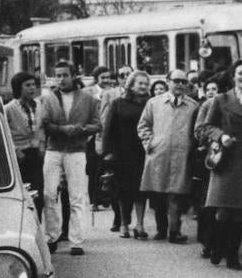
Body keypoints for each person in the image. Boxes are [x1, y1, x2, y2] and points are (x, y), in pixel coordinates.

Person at [199, 59, 242, 270]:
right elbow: (206, 127)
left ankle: (232, 256)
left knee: (240, 210)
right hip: (227, 159)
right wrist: (221, 137)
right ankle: (217, 247)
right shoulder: (221, 99)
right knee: (223, 209)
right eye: (241, 73)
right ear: (233, 77)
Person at [38, 59, 102, 255]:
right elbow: (45, 124)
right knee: (49, 194)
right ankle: (52, 236)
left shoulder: (88, 99)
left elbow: (97, 124)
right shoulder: (48, 98)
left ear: (74, 76)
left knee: (77, 195)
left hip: (76, 150)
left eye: (65, 75)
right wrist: (62, 129)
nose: (61, 79)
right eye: (58, 75)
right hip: (54, 148)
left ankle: (76, 240)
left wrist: (81, 129)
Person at [138, 69, 199, 244]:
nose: (180, 84)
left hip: (182, 155)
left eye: (183, 81)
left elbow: (197, 130)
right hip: (159, 154)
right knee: (158, 193)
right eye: (176, 80)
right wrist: (149, 143)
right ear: (168, 81)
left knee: (176, 194)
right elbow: (143, 125)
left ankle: (174, 231)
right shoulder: (154, 103)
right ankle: (161, 229)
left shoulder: (193, 106)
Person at [103, 71, 152, 239]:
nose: (144, 86)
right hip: (122, 151)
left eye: (146, 83)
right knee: (123, 190)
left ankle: (140, 224)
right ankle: (124, 223)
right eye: (140, 83)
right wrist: (108, 151)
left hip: (143, 151)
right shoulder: (118, 103)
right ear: (131, 84)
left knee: (141, 189)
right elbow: (109, 129)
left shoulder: (151, 103)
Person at [193, 76, 225, 259]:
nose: (213, 92)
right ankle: (207, 242)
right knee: (208, 202)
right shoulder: (206, 106)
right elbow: (199, 130)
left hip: (228, 155)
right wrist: (213, 139)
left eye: (216, 88)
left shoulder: (228, 103)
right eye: (209, 89)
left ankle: (222, 243)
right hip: (211, 155)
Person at [5, 71, 45, 216]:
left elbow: (41, 129)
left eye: (34, 85)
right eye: (27, 85)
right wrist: (15, 150)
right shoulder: (9, 108)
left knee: (38, 193)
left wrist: (42, 145)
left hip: (36, 154)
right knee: (22, 194)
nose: (32, 88)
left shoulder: (39, 105)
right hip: (20, 156)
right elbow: (5, 132)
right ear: (18, 87)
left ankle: (38, 226)